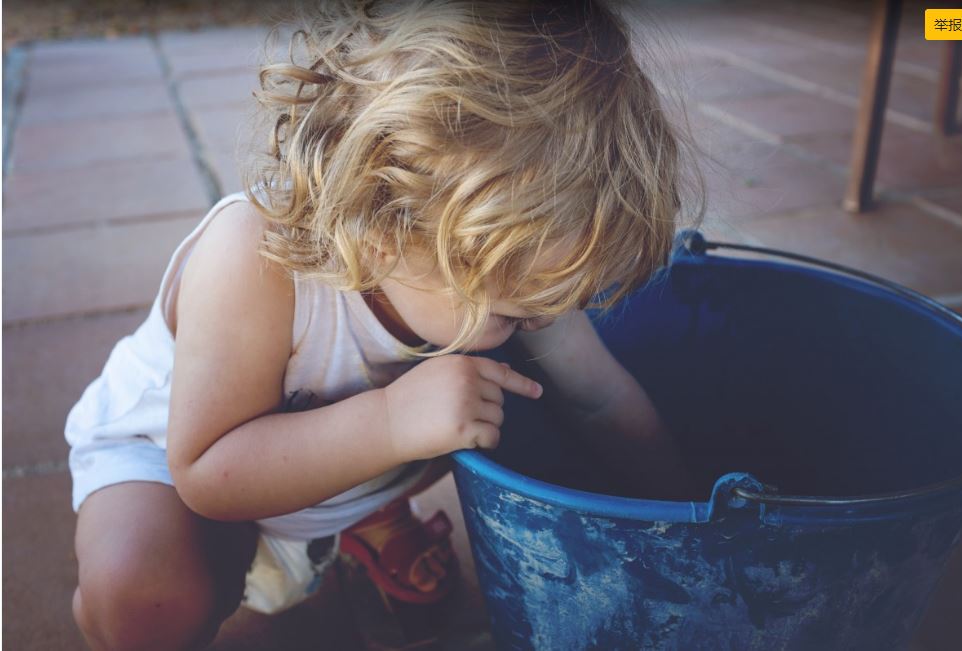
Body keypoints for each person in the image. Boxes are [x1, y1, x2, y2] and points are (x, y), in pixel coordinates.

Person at [65, 0, 704, 648]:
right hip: (179, 465)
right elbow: (207, 469)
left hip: (340, 471)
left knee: (514, 412)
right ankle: (343, 520)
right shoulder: (252, 259)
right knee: (151, 601)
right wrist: (392, 422)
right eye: (518, 306)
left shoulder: (503, 264)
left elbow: (601, 400)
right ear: (380, 228)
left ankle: (363, 514)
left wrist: (690, 522)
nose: (544, 317)